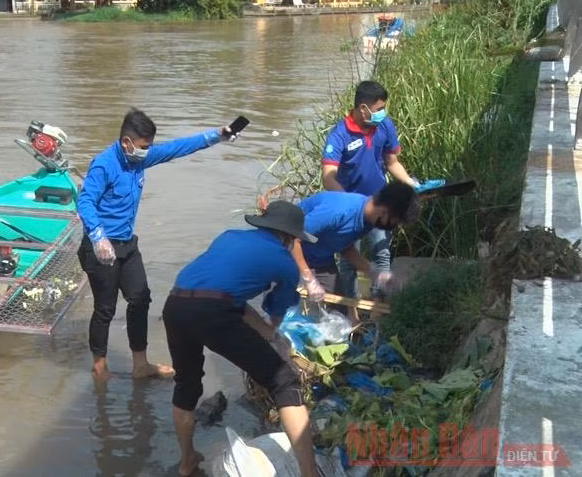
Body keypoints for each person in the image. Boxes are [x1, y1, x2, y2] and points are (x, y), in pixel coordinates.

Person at [76, 107, 238, 380]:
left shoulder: (139, 159)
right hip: (100, 248)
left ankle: (141, 365)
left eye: (149, 147)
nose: (146, 151)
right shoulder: (105, 164)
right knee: (105, 308)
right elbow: (85, 201)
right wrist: (98, 236)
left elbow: (177, 148)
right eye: (143, 147)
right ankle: (100, 367)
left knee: (140, 298)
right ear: (126, 142)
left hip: (126, 244)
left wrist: (216, 136)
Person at [162, 200, 320, 477]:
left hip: (175, 304)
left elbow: (226, 296)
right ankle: (310, 473)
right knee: (285, 381)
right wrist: (276, 331)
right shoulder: (285, 263)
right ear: (289, 237)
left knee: (186, 385)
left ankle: (187, 462)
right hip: (212, 314)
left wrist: (269, 335)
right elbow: (276, 309)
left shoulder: (229, 237)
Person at [321, 80, 417, 301]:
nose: (382, 113)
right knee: (348, 262)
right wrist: (350, 205)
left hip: (380, 205)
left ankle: (378, 306)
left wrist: (411, 187)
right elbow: (328, 177)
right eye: (379, 109)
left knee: (382, 255)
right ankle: (352, 308)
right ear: (363, 108)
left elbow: (392, 162)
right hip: (352, 210)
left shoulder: (384, 126)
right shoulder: (339, 134)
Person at [291, 182, 421, 321]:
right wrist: (308, 278)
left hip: (320, 260)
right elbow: (292, 238)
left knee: (338, 314)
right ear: (385, 210)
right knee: (298, 312)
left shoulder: (368, 221)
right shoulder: (338, 211)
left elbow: (346, 247)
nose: (393, 227)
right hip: (287, 252)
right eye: (395, 222)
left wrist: (375, 274)